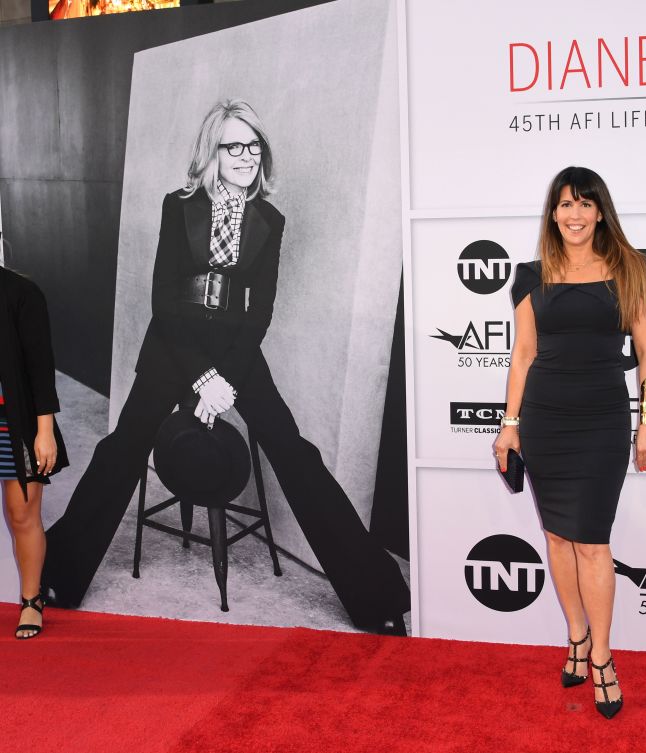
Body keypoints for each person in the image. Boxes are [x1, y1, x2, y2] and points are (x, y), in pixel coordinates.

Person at [42, 99, 409, 635]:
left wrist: (228, 377)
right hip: (175, 345)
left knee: (295, 452)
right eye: (233, 145)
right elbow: (164, 300)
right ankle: (57, 571)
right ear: (211, 151)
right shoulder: (178, 206)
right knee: (122, 447)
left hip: (236, 350)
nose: (246, 155)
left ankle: (379, 596)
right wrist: (202, 378)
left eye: (254, 145)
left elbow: (261, 311)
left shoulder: (270, 219)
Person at [493, 166, 646, 719]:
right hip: (545, 420)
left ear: (601, 212)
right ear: (553, 213)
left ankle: (604, 658)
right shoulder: (530, 276)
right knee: (557, 538)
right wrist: (510, 424)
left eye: (585, 204)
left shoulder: (630, 270)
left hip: (602, 422)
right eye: (565, 204)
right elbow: (523, 354)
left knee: (592, 541)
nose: (575, 214)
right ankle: (577, 637)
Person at [0, 253, 69, 639]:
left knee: (22, 514)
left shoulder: (22, 293)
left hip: (16, 423)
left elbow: (41, 369)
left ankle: (31, 600)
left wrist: (45, 432)